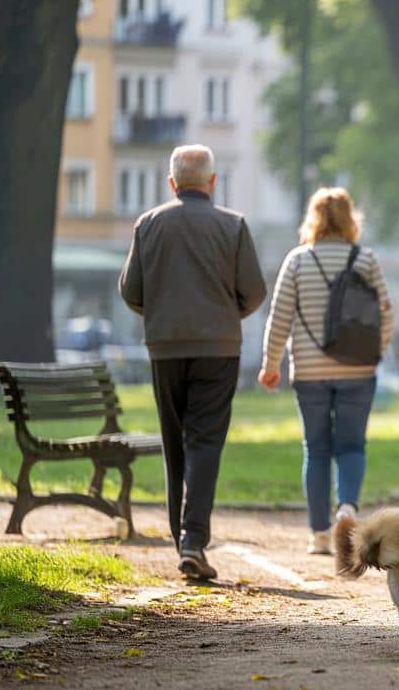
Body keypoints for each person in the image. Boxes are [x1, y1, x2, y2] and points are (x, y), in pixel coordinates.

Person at [119, 144, 266, 580]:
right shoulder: (232, 226)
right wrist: (225, 315)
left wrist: (162, 316)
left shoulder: (148, 224)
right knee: (204, 442)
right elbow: (254, 291)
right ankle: (193, 540)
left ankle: (179, 537)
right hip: (218, 348)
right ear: (212, 182)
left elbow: (131, 290)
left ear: (172, 183)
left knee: (174, 443)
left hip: (164, 346)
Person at [257, 187, 395, 554]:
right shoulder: (365, 260)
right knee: (351, 445)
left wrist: (271, 365)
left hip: (310, 372)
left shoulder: (298, 261)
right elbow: (385, 312)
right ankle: (347, 506)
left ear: (313, 218)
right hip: (358, 370)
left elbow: (279, 318)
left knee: (316, 449)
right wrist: (374, 354)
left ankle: (319, 535)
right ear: (351, 219)